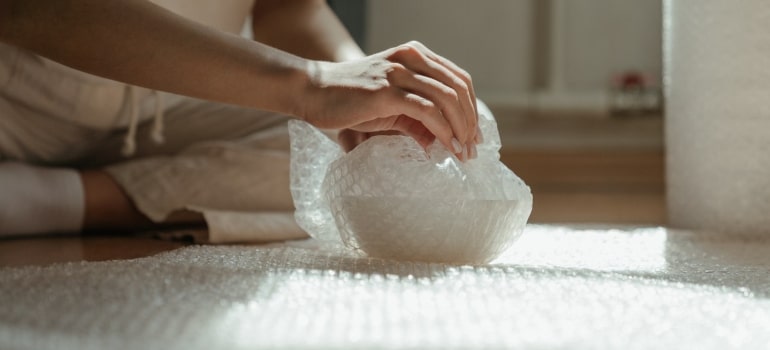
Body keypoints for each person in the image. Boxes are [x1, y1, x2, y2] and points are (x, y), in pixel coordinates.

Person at [0, 0, 480, 239]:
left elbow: (287, 8)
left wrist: (364, 87)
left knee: (444, 122)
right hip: (15, 94)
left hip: (171, 100)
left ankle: (55, 200)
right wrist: (310, 84)